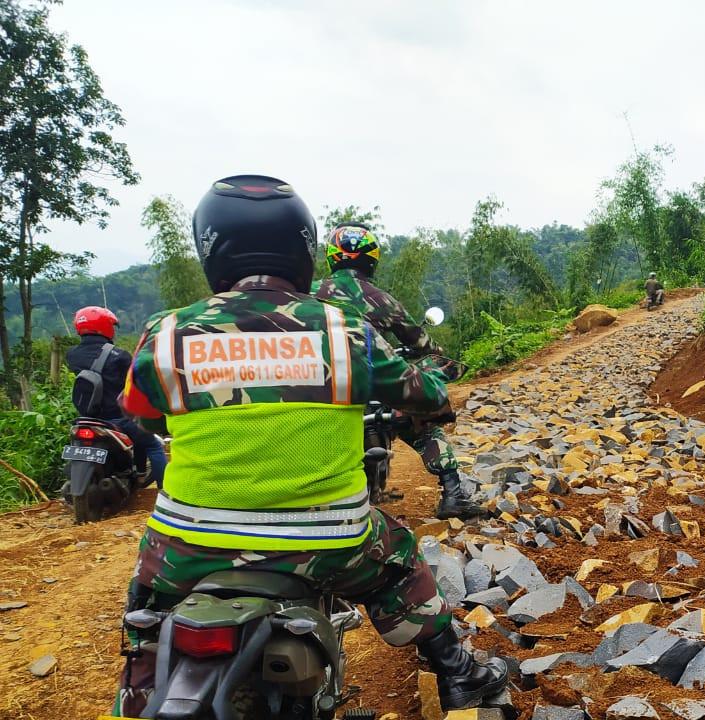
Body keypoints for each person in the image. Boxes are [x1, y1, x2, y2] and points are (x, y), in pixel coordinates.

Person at [111, 176, 507, 715]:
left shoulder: (167, 331)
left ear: (209, 248)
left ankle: (136, 698)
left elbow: (138, 410)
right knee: (401, 559)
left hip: (188, 544)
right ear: (302, 248)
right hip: (331, 542)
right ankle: (459, 673)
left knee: (146, 614)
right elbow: (428, 391)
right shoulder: (345, 331)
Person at [314, 222, 484, 520]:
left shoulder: (309, 293)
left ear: (331, 257)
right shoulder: (382, 300)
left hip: (317, 385)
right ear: (372, 258)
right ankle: (453, 493)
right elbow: (423, 344)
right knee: (423, 424)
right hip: (371, 384)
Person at [66, 306, 167, 488]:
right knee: (153, 445)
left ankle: (137, 472)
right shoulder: (119, 356)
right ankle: (166, 491)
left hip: (88, 419)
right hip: (117, 419)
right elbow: (135, 384)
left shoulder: (71, 355)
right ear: (105, 326)